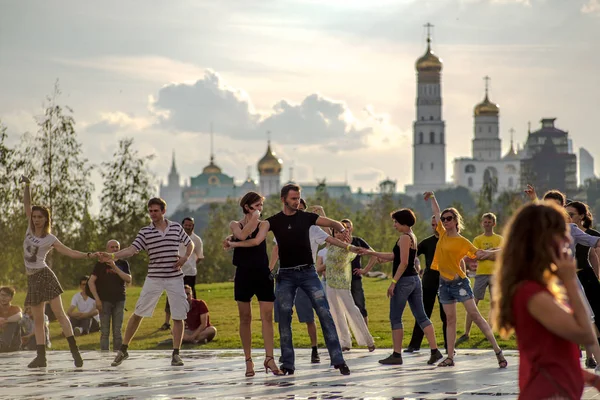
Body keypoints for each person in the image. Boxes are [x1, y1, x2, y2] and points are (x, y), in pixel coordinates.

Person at [228, 184, 360, 375]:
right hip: (286, 276)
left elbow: (330, 224)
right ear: (283, 200)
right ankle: (288, 364)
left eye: (298, 198)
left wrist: (341, 228)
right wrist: (232, 239)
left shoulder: (307, 217)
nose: (297, 202)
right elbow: (254, 239)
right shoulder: (272, 222)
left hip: (309, 273)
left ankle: (338, 360)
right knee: (284, 319)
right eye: (293, 199)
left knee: (324, 313)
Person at [493, 202, 600, 399]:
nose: (568, 239)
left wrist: (590, 378)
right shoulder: (532, 294)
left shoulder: (537, 288)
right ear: (543, 241)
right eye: (561, 232)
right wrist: (570, 281)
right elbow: (587, 335)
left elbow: (552, 357)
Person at [102, 197, 195, 367]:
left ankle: (176, 353)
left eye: (155, 211)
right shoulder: (145, 232)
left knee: (178, 315)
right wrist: (113, 256)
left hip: (175, 277)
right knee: (138, 313)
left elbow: (190, 244)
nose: (152, 214)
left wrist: (185, 258)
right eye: (150, 211)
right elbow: (132, 249)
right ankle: (123, 349)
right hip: (154, 277)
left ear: (163, 211)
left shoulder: (175, 227)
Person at [423, 191, 506, 368]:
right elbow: (437, 212)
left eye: (449, 218)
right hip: (444, 285)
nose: (444, 221)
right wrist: (432, 197)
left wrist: (498, 251)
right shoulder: (442, 233)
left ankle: (498, 351)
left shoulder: (463, 242)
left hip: (459, 284)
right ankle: (450, 357)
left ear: (456, 221)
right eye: (443, 219)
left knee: (475, 315)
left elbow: (480, 254)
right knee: (450, 320)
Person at [20, 175, 95, 368]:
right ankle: (41, 357)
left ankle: (75, 353)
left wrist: (89, 254)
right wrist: (27, 185)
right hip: (32, 279)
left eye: (40, 217)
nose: (36, 220)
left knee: (60, 314)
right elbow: (27, 204)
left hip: (45, 275)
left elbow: (70, 252)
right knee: (38, 319)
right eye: (34, 217)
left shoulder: (49, 238)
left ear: (46, 219)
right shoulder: (29, 228)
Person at [359, 209, 443, 365]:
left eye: (396, 222)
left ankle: (397, 355)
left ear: (404, 222)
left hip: (404, 281)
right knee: (422, 316)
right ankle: (435, 350)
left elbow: (403, 262)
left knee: (395, 318)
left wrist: (393, 283)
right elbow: (395, 257)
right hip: (414, 280)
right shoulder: (412, 236)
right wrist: (373, 253)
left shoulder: (404, 238)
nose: (394, 225)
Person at [224, 191, 281, 377]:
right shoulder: (234, 224)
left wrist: (232, 245)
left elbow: (255, 241)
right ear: (247, 207)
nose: (260, 210)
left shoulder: (264, 224)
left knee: (267, 317)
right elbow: (241, 235)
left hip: (262, 274)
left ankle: (269, 358)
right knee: (245, 317)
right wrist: (233, 240)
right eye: (257, 206)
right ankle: (248, 360)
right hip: (243, 274)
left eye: (261, 206)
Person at [269, 199, 328, 363]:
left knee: (308, 317)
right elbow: (276, 249)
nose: (297, 211)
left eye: (301, 209)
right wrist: (270, 269)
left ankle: (314, 349)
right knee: (283, 317)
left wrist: (322, 214)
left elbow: (329, 235)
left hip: (305, 275)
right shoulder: (283, 225)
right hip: (286, 275)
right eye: (295, 208)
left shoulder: (313, 229)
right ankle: (285, 351)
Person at [323, 228, 376, 352]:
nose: (337, 234)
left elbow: (367, 252)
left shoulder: (348, 247)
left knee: (351, 309)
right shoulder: (330, 243)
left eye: (340, 232)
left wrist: (366, 268)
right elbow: (326, 229)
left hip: (342, 283)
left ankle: (368, 340)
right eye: (335, 232)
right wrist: (320, 211)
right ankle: (345, 342)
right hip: (330, 283)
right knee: (336, 312)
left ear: (346, 233)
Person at [456, 213, 503, 345]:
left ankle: (490, 329)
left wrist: (488, 253)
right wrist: (492, 252)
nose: (487, 224)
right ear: (482, 224)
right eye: (485, 222)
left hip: (495, 273)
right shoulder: (477, 239)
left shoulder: (499, 238)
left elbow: (501, 255)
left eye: (489, 222)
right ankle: (466, 332)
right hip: (481, 274)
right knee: (473, 302)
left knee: (494, 302)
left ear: (494, 223)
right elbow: (476, 255)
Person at [405, 216, 447, 353]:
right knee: (423, 314)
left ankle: (449, 346)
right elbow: (412, 254)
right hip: (429, 281)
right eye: (432, 225)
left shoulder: (449, 241)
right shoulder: (427, 242)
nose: (434, 227)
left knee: (446, 315)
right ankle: (414, 345)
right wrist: (416, 265)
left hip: (446, 281)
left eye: (436, 224)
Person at [566, 201, 600, 370]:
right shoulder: (545, 230)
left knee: (588, 319)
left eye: (570, 214)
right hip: (554, 282)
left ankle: (593, 358)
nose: (567, 216)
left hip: (578, 279)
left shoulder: (574, 231)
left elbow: (594, 248)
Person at [87, 239, 131, 351]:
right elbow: (91, 281)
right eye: (112, 247)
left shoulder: (123, 263)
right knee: (105, 332)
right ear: (107, 249)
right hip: (104, 301)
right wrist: (97, 299)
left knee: (117, 331)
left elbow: (128, 279)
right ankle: (104, 356)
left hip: (119, 300)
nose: (115, 249)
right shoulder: (100, 264)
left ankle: (118, 355)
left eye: (117, 247)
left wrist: (114, 266)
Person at [161, 217, 204, 331]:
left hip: (190, 273)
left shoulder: (196, 239)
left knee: (190, 297)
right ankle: (166, 322)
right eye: (186, 225)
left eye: (190, 225)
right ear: (182, 225)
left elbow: (200, 256)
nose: (188, 227)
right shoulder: (176, 236)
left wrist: (190, 264)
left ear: (193, 226)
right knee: (171, 295)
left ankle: (192, 321)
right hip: (175, 271)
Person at [341, 219, 373, 326]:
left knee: (360, 305)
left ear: (352, 228)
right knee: (343, 308)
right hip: (341, 280)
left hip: (355, 279)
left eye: (348, 227)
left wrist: (365, 270)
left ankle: (366, 333)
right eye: (344, 227)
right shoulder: (337, 242)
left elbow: (373, 254)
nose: (347, 229)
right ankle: (347, 335)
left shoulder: (358, 241)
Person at [0, 287, 22, 352]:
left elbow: (19, 316)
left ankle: (3, 344)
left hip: (13, 344)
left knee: (14, 322)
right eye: (1, 295)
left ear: (11, 298)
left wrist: (4, 320)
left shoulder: (15, 308)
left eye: (6, 295)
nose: (3, 298)